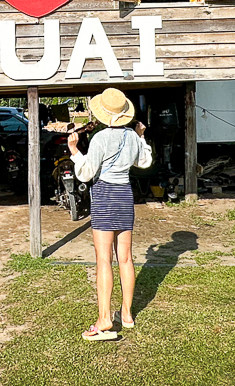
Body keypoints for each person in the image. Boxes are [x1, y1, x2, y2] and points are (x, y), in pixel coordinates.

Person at [68, 87, 152, 341]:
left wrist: (74, 151)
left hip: (105, 194)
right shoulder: (133, 137)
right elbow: (145, 162)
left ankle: (105, 318)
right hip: (125, 194)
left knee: (104, 260)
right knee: (125, 258)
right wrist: (141, 137)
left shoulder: (100, 138)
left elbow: (86, 173)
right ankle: (126, 314)